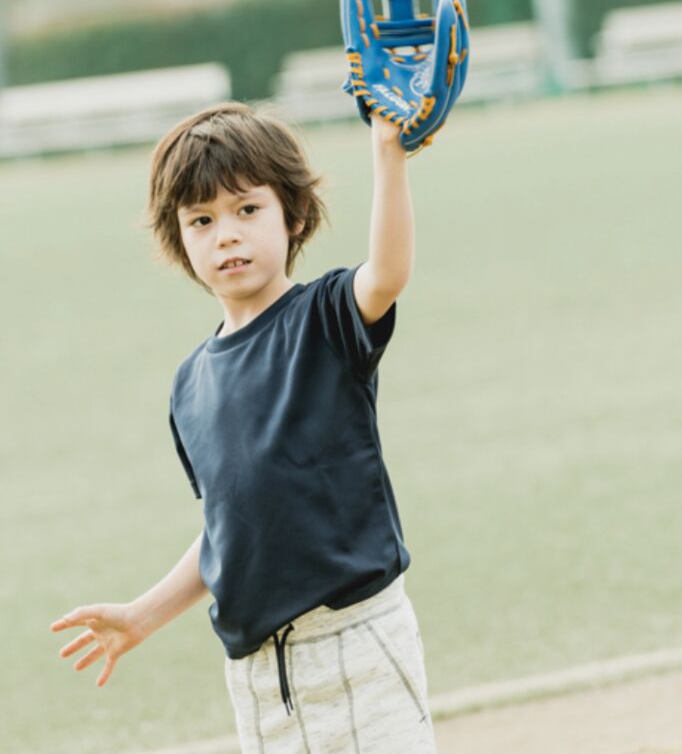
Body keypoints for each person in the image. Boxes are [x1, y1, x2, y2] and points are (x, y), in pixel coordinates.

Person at [50, 101, 436, 753]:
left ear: (295, 215)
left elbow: (389, 274)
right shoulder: (190, 384)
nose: (226, 234)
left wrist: (388, 152)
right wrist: (142, 616)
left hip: (360, 648)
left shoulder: (324, 321)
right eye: (201, 220)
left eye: (247, 210)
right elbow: (231, 528)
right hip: (259, 680)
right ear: (181, 243)